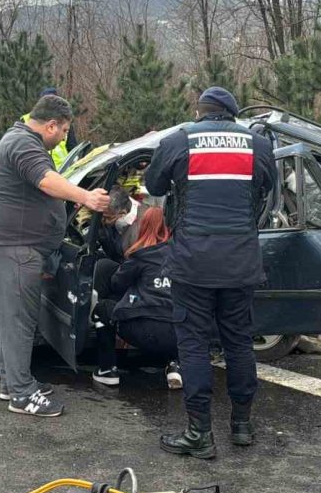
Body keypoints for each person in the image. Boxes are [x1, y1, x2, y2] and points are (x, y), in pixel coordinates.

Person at [144, 86, 276, 459]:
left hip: (192, 263)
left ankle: (199, 432)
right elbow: (269, 190)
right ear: (232, 114)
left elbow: (153, 185)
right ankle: (242, 427)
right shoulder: (257, 144)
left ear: (199, 112)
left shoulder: (180, 139)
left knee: (194, 346)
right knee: (238, 343)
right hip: (240, 262)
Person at [0, 95, 109, 417]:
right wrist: (87, 198)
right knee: (21, 323)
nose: (64, 137)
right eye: (64, 130)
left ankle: (12, 384)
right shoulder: (23, 144)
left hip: (14, 248)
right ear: (50, 125)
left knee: (13, 321)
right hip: (16, 250)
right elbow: (46, 180)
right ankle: (22, 396)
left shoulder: (19, 140)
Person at [92, 206, 182, 390]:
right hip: (180, 335)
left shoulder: (140, 256)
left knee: (102, 309)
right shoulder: (185, 257)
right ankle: (175, 365)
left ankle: (107, 370)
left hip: (141, 331)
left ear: (142, 227)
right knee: (176, 312)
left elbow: (117, 284)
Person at [20, 87, 77, 169]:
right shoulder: (27, 123)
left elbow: (72, 146)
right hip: (44, 170)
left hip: (65, 169)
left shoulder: (64, 122)